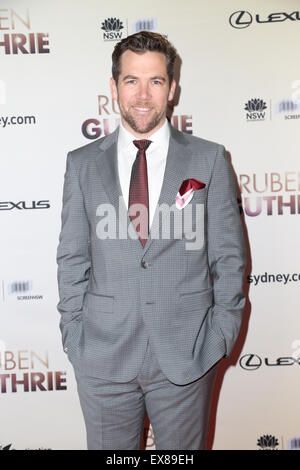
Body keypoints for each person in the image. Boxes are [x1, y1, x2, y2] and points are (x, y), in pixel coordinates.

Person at [56, 31, 246, 450]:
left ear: (172, 88)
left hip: (187, 353)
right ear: (113, 87)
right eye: (131, 80)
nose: (143, 95)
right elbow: (72, 258)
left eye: (156, 81)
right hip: (102, 356)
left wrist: (219, 336)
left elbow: (229, 259)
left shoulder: (209, 159)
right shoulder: (81, 164)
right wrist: (74, 334)